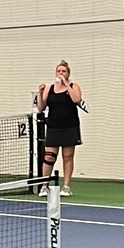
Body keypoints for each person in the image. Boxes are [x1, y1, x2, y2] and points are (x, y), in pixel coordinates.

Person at [37, 61, 82, 197]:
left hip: (70, 126)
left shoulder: (74, 86)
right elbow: (41, 108)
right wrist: (40, 93)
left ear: (68, 74)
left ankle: (66, 187)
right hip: (53, 127)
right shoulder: (49, 88)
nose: (61, 73)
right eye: (59, 71)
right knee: (49, 157)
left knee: (67, 157)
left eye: (64, 71)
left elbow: (77, 99)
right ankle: (44, 186)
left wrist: (66, 84)